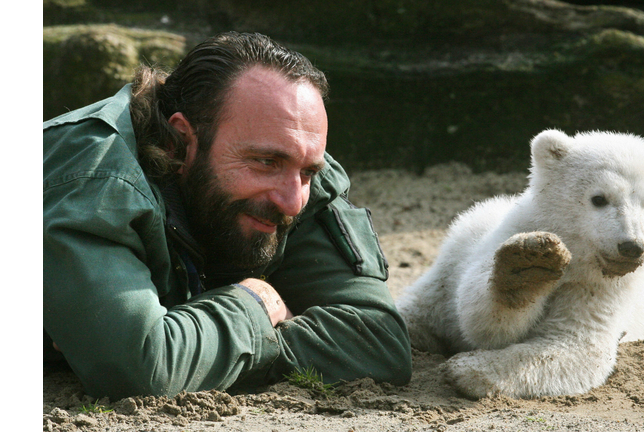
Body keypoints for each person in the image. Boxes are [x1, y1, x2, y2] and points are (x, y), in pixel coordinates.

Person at [43, 31, 412, 399]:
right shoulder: (96, 181)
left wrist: (192, 335)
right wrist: (255, 303)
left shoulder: (293, 176)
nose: (292, 202)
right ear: (179, 143)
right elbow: (144, 371)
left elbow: (377, 341)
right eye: (265, 162)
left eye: (308, 172)